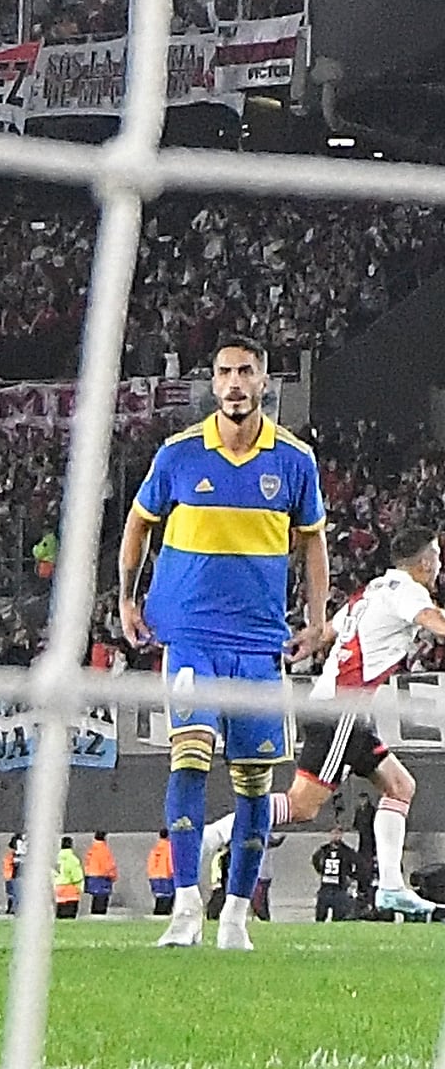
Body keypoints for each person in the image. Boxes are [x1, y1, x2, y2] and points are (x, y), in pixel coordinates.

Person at [116, 340, 328, 954]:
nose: (235, 383)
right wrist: (127, 599)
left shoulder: (293, 461)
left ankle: (234, 916)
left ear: (264, 382)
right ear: (213, 384)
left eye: (246, 373)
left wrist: (317, 618)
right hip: (190, 639)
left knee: (255, 782)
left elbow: (312, 542)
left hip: (259, 645)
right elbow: (138, 523)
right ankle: (185, 907)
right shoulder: (179, 454)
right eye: (225, 374)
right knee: (188, 756)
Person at [279, 521, 440, 920]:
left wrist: (304, 644)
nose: (439, 564)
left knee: (400, 787)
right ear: (424, 562)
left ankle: (390, 888)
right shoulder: (407, 591)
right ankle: (215, 835)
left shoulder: (373, 589)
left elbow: (331, 629)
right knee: (301, 808)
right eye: (436, 556)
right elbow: (432, 621)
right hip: (341, 709)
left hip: (346, 710)